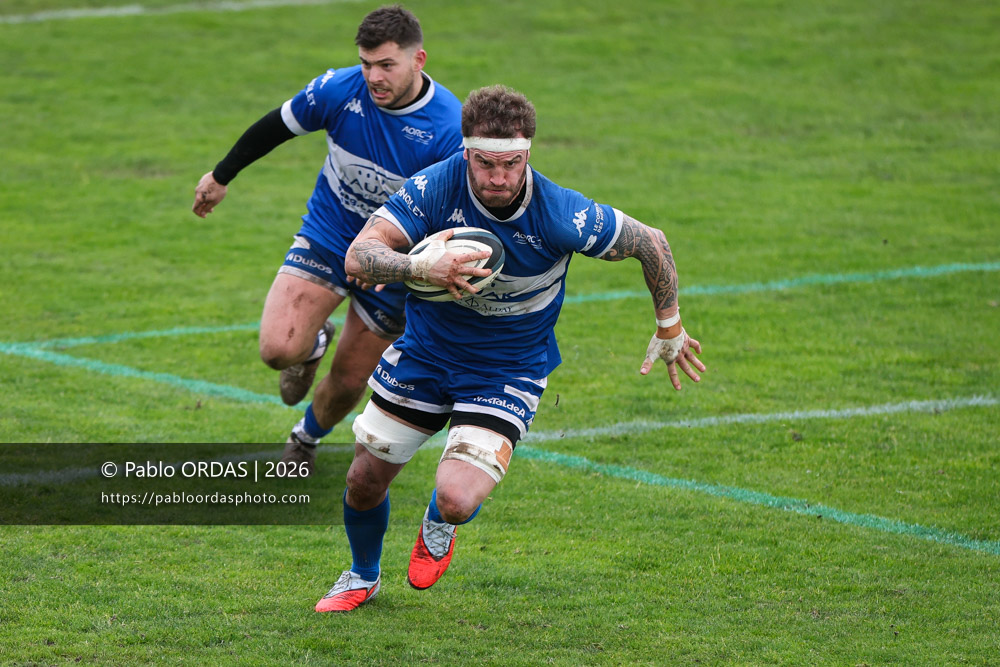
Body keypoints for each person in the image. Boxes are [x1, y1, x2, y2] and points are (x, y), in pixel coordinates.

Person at [312, 85, 706, 612]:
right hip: (425, 356)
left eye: (511, 164)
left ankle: (437, 524)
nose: (498, 177)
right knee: (363, 479)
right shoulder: (434, 187)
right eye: (485, 164)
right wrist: (417, 267)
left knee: (455, 500)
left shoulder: (560, 213)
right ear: (466, 154)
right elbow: (359, 256)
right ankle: (361, 575)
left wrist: (670, 327)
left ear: (528, 155)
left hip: (506, 371)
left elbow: (650, 242)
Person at [191, 5, 463, 470]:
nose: (373, 76)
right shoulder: (340, 90)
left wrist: (401, 262)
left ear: (418, 61)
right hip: (331, 235)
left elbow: (449, 215)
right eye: (366, 63)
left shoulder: (448, 128)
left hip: (394, 259)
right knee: (278, 350)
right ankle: (313, 344)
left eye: (386, 65)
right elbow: (277, 125)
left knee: (351, 378)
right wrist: (221, 175)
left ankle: (306, 438)